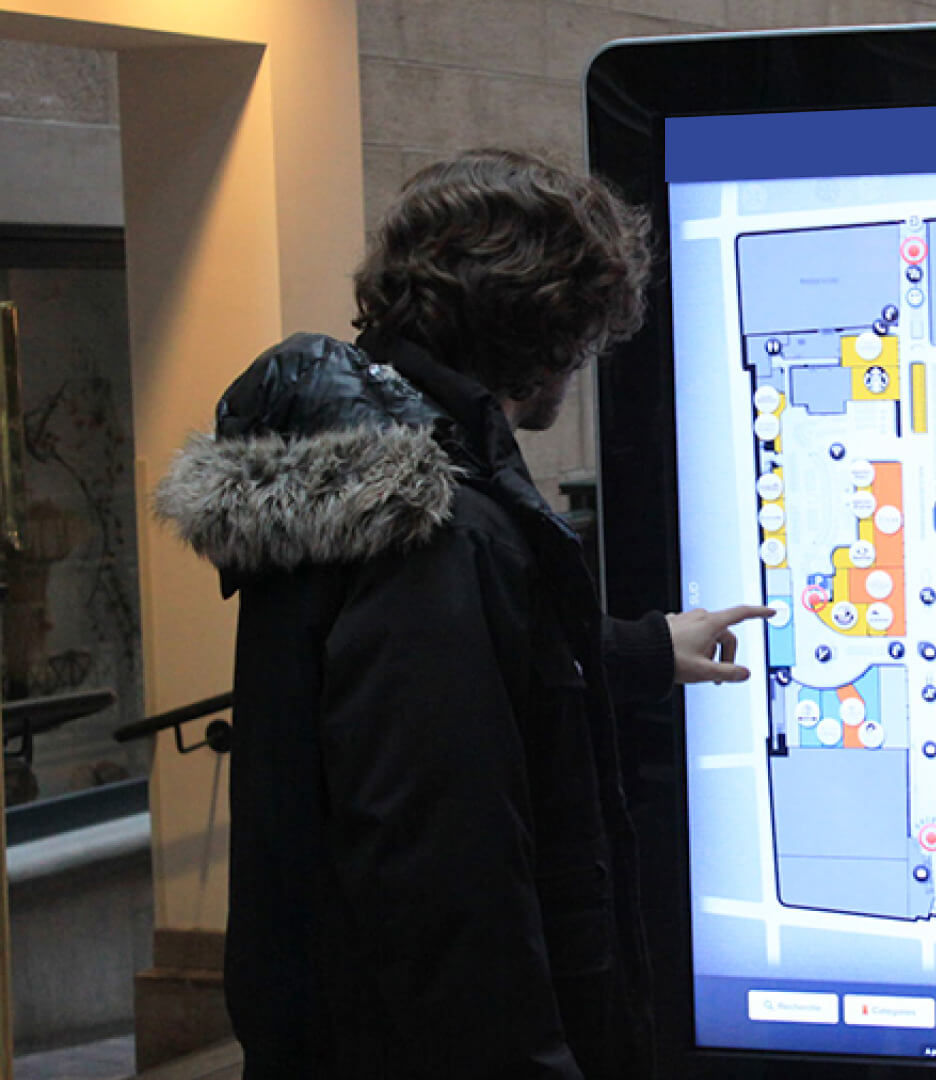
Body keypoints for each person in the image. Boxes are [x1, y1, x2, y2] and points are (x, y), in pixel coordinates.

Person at [153, 149, 770, 1079]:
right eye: (590, 328)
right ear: (549, 325)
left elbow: (458, 687)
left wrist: (641, 650)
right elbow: (445, 883)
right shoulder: (437, 530)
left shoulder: (354, 473)